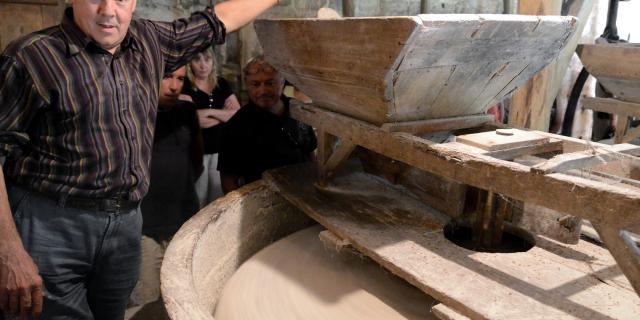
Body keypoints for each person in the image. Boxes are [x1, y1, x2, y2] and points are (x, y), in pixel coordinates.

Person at [0, 0, 280, 319]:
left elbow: (221, 18)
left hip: (125, 225)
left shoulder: (149, 41)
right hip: (53, 225)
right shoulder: (32, 56)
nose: (109, 10)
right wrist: (8, 250)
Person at [132, 65, 202, 313]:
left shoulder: (187, 111)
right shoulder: (135, 113)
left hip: (182, 222)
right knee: (148, 302)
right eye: (167, 77)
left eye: (180, 79)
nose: (174, 86)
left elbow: (197, 161)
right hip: (144, 226)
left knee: (182, 296)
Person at [218, 56, 317, 194]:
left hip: (305, 193)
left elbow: (310, 153)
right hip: (264, 204)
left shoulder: (298, 111)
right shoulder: (236, 127)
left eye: (270, 83)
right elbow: (228, 182)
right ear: (247, 84)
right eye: (255, 84)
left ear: (282, 82)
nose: (263, 91)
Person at [182, 47, 241, 208]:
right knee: (198, 198)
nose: (203, 65)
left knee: (218, 198)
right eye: (197, 60)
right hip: (197, 151)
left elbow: (237, 114)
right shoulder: (185, 84)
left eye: (207, 60)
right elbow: (192, 120)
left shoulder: (221, 83)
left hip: (221, 150)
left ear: (213, 62)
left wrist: (207, 112)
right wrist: (223, 115)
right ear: (190, 64)